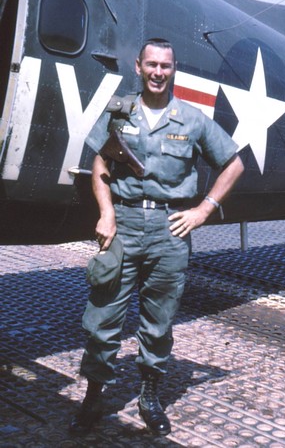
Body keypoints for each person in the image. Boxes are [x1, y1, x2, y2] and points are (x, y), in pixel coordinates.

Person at [70, 38, 244, 436]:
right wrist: (107, 213)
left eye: (165, 66)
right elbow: (100, 162)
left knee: (158, 322)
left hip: (169, 231)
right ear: (138, 66)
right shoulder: (120, 111)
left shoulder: (191, 119)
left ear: (174, 68)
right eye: (151, 65)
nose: (158, 72)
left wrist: (204, 209)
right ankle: (94, 396)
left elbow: (233, 164)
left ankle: (149, 395)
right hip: (124, 226)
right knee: (102, 318)